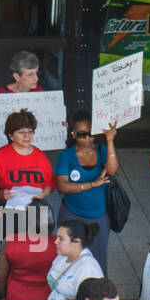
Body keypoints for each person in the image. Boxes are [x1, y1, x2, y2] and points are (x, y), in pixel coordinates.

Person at [54, 111, 119, 272]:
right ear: (74, 134)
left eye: (92, 134)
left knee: (98, 261)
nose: (88, 138)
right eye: (83, 134)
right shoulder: (67, 156)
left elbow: (112, 170)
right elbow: (62, 186)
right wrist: (92, 184)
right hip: (72, 214)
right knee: (68, 259)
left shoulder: (102, 150)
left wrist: (110, 141)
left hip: (99, 216)